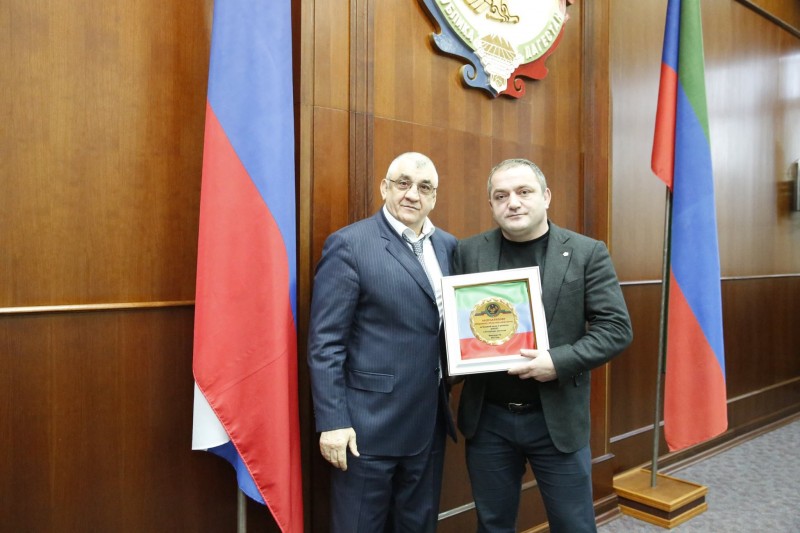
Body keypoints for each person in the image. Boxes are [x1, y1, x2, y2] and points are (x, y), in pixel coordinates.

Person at [453, 158, 633, 533]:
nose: (513, 203)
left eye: (524, 192)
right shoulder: (467, 252)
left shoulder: (586, 252)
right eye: (501, 195)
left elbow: (616, 328)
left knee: (574, 525)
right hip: (489, 419)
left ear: (546, 196)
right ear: (491, 204)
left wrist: (558, 361)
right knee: (492, 524)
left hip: (556, 417)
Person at [308, 152, 457, 532]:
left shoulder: (448, 246)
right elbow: (326, 343)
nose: (412, 194)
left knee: (418, 526)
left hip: (428, 423)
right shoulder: (350, 245)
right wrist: (333, 422)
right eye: (403, 183)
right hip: (366, 429)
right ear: (384, 188)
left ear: (434, 197)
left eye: (424, 187)